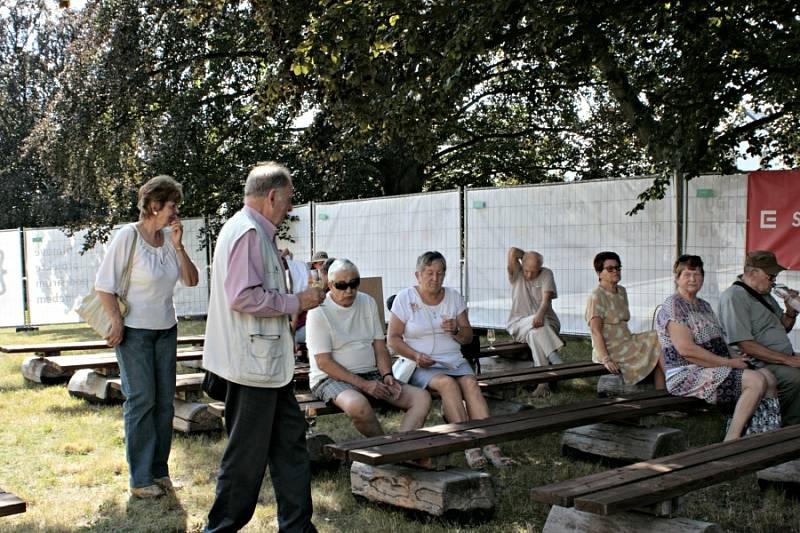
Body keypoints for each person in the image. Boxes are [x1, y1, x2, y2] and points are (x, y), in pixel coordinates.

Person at [202, 162, 325, 532]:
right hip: (252, 367)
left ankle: (298, 528)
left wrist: (283, 271)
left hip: (267, 367)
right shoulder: (249, 233)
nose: (289, 208)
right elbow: (243, 297)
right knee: (245, 460)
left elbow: (254, 286)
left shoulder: (252, 231)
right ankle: (219, 529)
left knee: (290, 447)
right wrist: (296, 301)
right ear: (272, 196)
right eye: (287, 201)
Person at [95, 175, 199, 499]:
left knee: (165, 404)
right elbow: (104, 285)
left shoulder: (170, 239)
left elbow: (192, 280)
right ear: (155, 206)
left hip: (166, 330)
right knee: (141, 401)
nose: (176, 212)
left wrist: (180, 245)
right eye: (172, 205)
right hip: (135, 332)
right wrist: (116, 320)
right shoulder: (129, 236)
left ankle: (159, 471)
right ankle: (140, 479)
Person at [387, 251, 515, 468]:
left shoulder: (454, 298)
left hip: (452, 360)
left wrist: (456, 329)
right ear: (417, 275)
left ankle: (491, 445)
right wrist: (416, 355)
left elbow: (467, 338)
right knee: (447, 384)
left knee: (471, 383)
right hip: (420, 363)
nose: (435, 278)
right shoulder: (405, 298)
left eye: (440, 273)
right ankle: (469, 446)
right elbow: (393, 339)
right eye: (429, 273)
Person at [655, 255, 780, 441]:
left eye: (697, 274)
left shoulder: (704, 305)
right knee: (755, 381)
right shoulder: (673, 306)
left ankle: (762, 434)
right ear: (677, 278)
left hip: (713, 366)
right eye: (687, 274)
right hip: (686, 372)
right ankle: (732, 440)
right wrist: (729, 363)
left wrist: (737, 357)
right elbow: (686, 350)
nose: (693, 279)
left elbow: (719, 341)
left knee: (768, 377)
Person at [306, 259, 431, 437]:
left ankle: (401, 447)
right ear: (330, 285)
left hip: (371, 373)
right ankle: (387, 450)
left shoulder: (368, 302)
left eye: (354, 283)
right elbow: (324, 363)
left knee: (421, 398)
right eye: (341, 285)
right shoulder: (318, 312)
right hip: (330, 378)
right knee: (358, 405)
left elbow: (380, 347)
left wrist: (387, 375)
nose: (349, 290)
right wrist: (364, 385)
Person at [718, 250, 800, 426]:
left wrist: (791, 311)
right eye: (771, 276)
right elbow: (745, 345)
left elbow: (783, 327)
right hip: (756, 362)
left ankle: (789, 426)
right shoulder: (734, 297)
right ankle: (774, 424)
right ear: (753, 272)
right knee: (795, 378)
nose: (774, 281)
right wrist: (788, 360)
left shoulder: (764, 295)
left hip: (778, 358)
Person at [586, 251, 665, 388]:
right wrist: (606, 359)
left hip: (627, 342)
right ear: (599, 273)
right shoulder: (596, 296)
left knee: (661, 337)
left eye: (618, 267)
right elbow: (595, 331)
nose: (615, 271)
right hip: (610, 348)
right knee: (657, 342)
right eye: (610, 269)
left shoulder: (621, 291)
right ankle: (675, 383)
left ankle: (664, 395)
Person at [506, 247, 564, 397]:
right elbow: (513, 252)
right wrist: (526, 256)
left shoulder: (546, 273)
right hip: (519, 325)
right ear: (522, 265)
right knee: (536, 324)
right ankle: (554, 357)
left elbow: (546, 300)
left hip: (546, 324)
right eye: (527, 270)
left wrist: (539, 315)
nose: (529, 274)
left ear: (540, 267)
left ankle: (542, 384)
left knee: (535, 333)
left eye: (534, 270)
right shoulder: (517, 274)